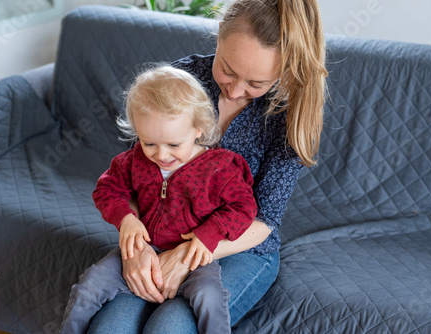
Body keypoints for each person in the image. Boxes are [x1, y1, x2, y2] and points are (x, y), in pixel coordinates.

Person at [88, 0, 328, 332]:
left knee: (169, 326)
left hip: (241, 248)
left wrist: (187, 255)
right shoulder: (180, 80)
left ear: (283, 71)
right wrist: (135, 247)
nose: (234, 90)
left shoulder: (289, 115)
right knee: (109, 327)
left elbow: (265, 220)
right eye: (227, 69)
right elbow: (135, 174)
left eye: (256, 84)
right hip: (160, 238)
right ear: (218, 37)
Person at [60, 66, 257, 334]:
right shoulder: (133, 162)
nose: (161, 155)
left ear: (199, 129)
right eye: (149, 143)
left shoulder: (220, 168)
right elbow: (107, 189)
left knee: (210, 299)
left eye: (174, 145)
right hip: (143, 251)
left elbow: (244, 207)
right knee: (87, 289)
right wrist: (126, 219)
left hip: (195, 259)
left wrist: (209, 235)